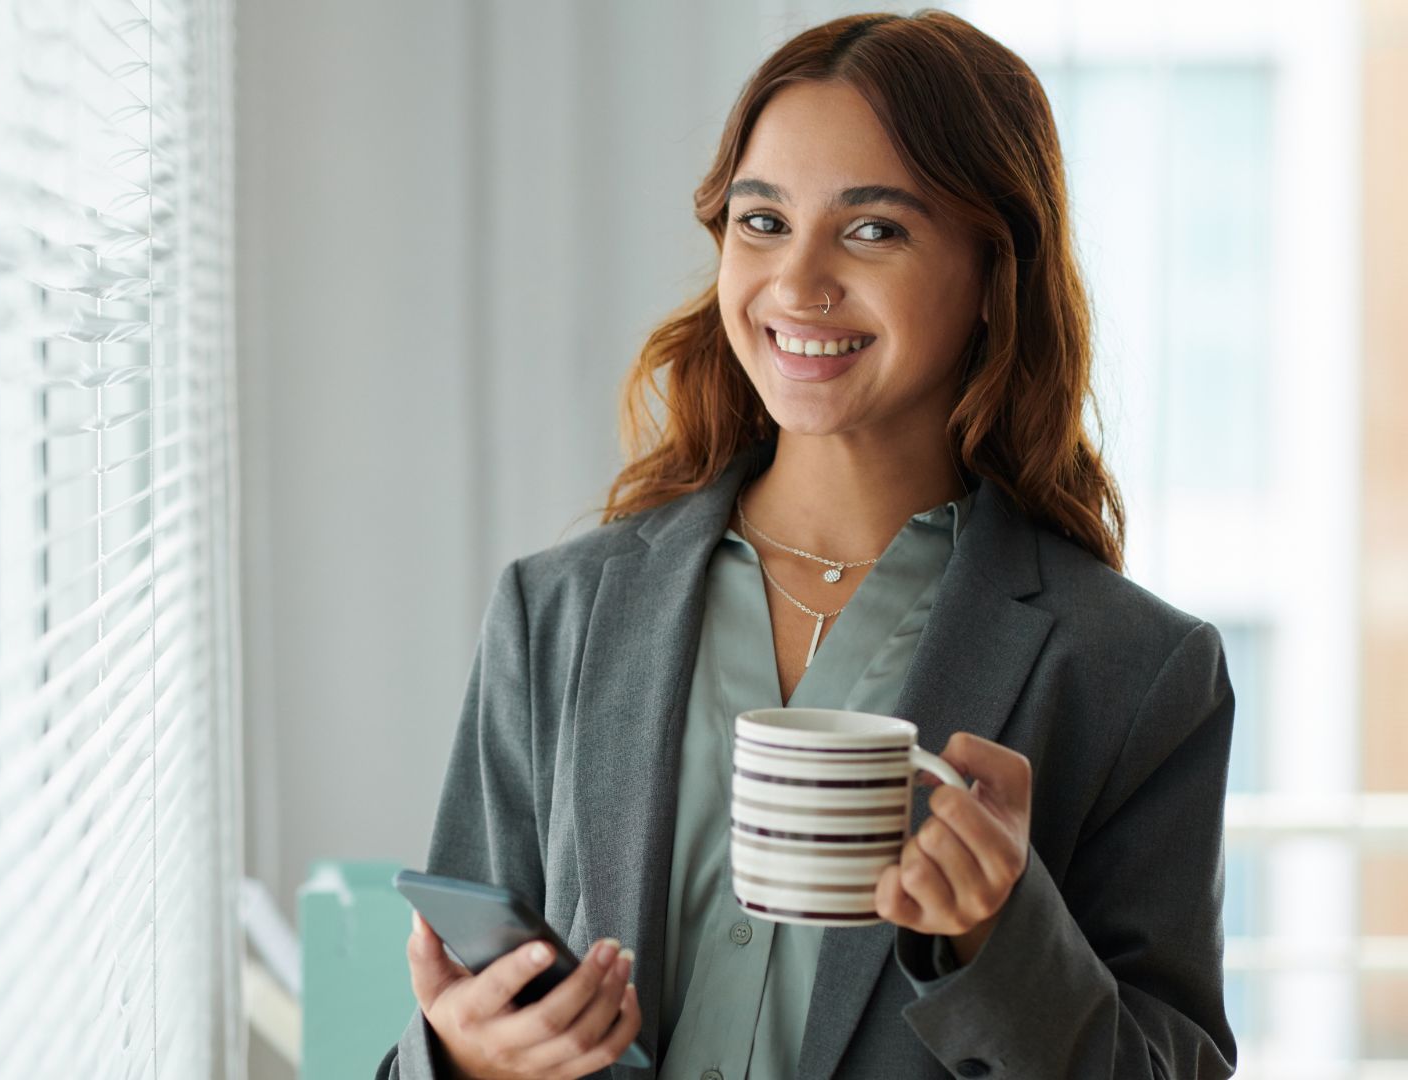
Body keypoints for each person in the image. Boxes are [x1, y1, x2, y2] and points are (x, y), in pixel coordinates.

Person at [379, 10, 1237, 1079]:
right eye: (763, 221)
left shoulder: (1135, 673)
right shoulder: (557, 613)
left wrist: (999, 944)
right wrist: (462, 1057)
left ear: (991, 273)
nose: (797, 283)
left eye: (874, 229)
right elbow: (462, 1000)